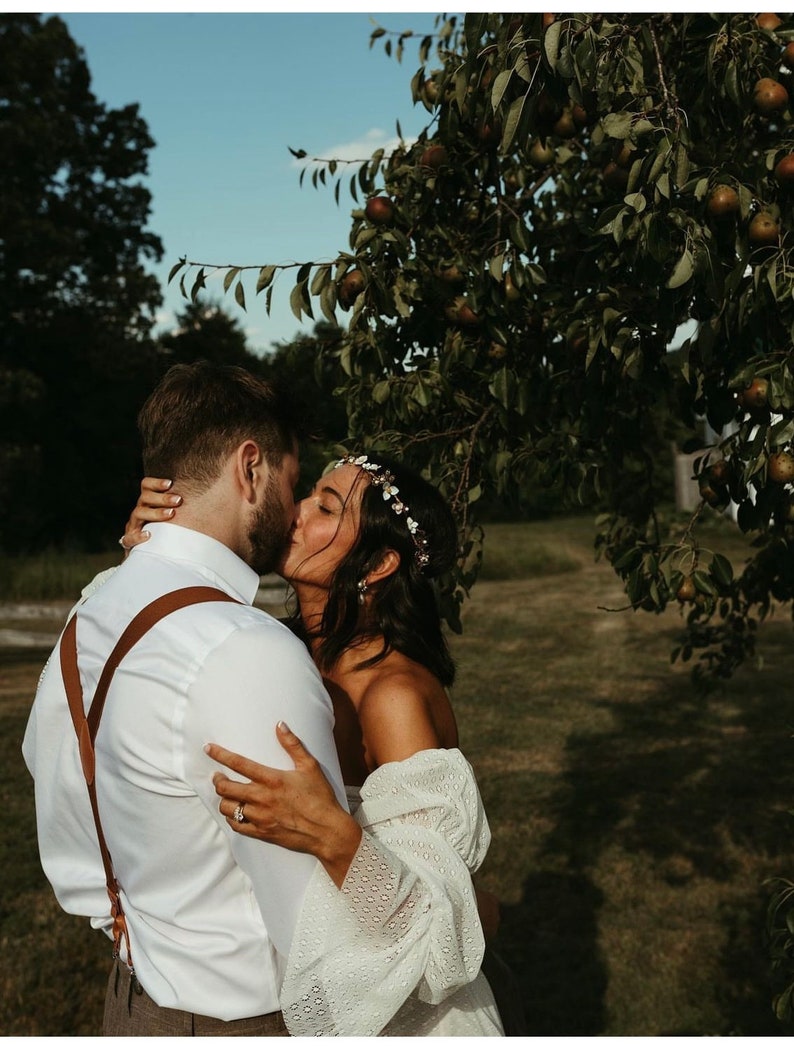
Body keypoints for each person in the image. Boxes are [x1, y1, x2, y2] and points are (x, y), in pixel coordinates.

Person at [124, 452, 510, 1036]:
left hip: (413, 1022)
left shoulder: (391, 697)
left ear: (378, 563)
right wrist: (150, 555)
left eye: (326, 507)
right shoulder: (280, 652)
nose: (296, 510)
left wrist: (330, 832)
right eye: (308, 493)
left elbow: (440, 924)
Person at [22, 361, 353, 1036]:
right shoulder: (242, 647)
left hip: (134, 1002)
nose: (294, 513)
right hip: (248, 1021)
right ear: (250, 468)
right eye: (294, 485)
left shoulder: (89, 613)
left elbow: (53, 779)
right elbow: (327, 932)